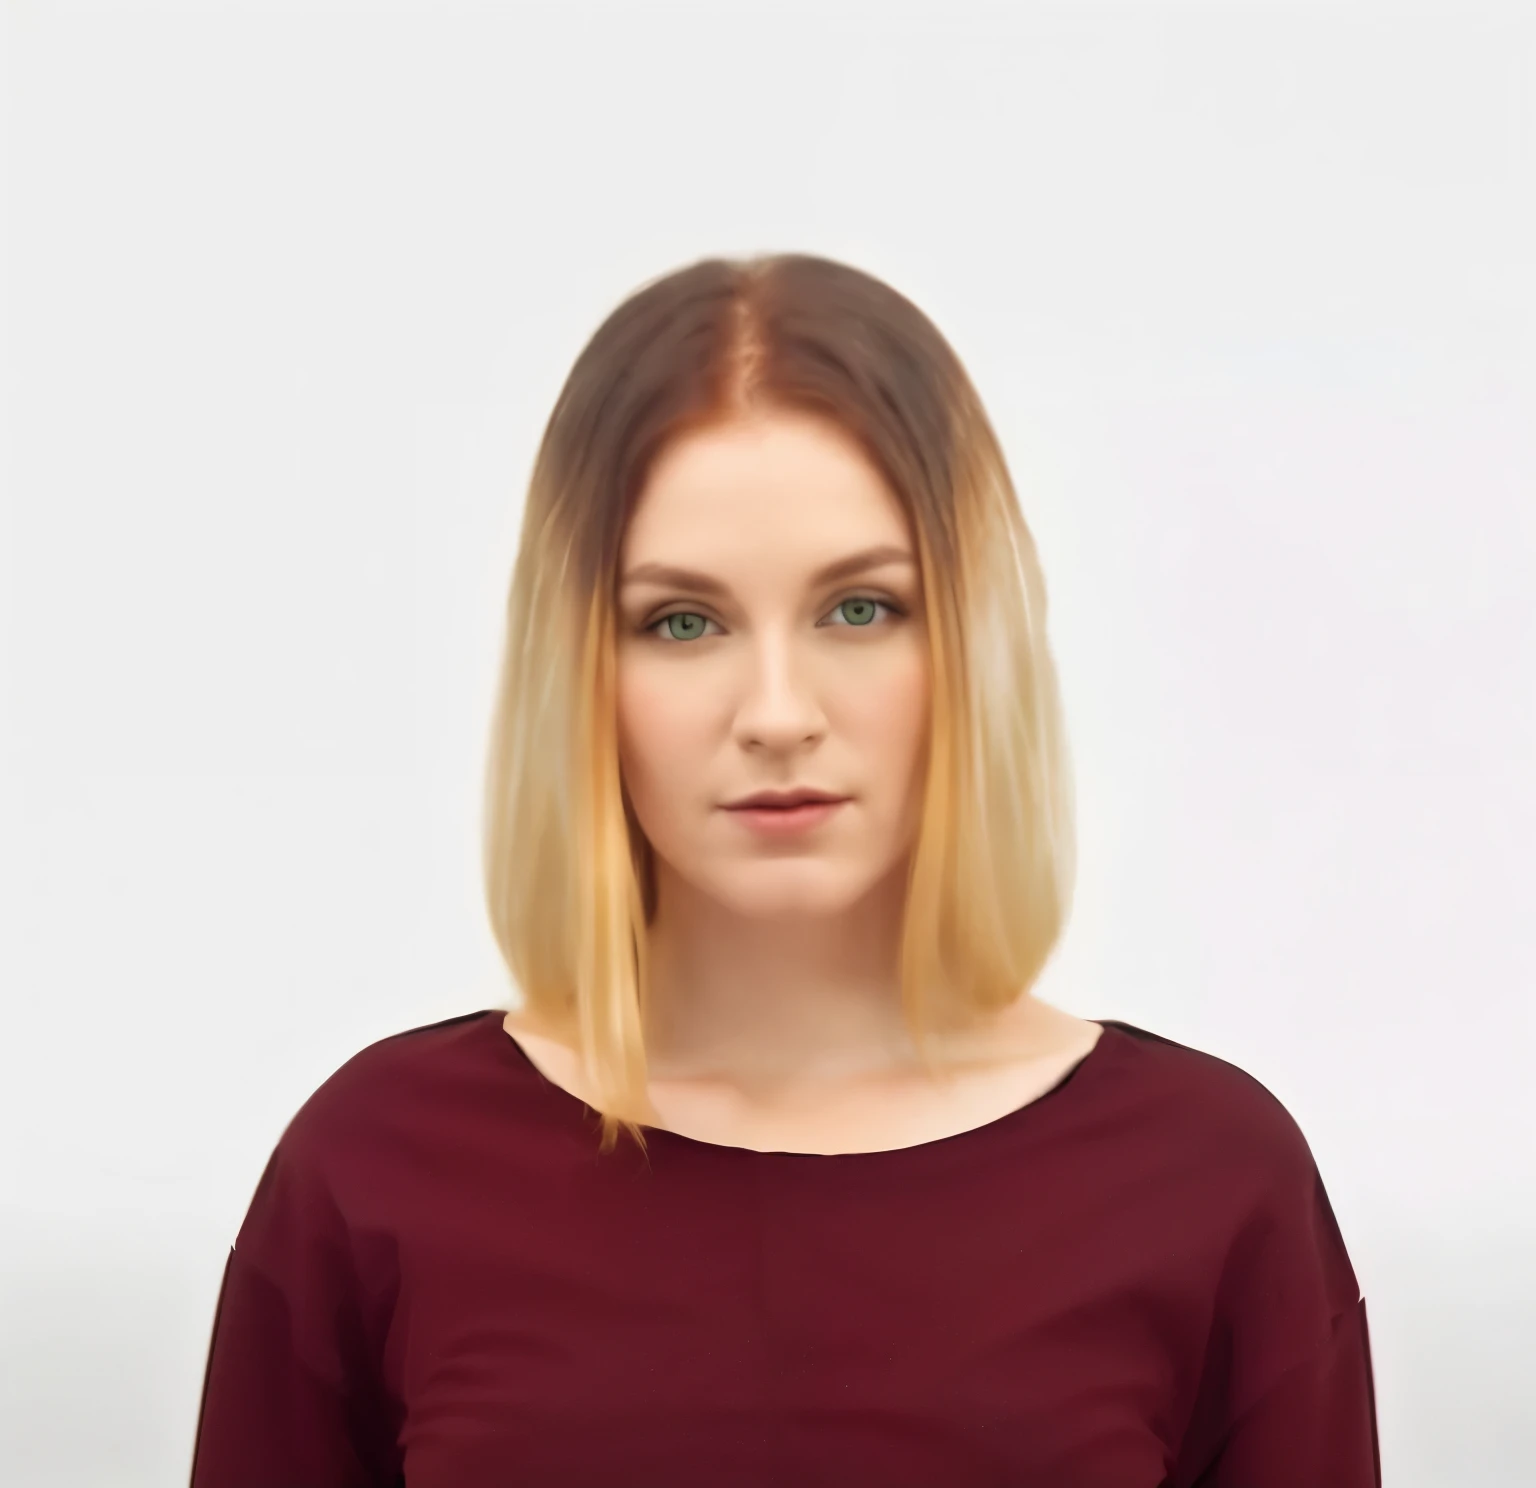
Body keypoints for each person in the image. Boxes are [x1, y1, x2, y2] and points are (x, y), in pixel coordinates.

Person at [188, 253, 1381, 1486]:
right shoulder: (375, 1171)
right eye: (681, 622)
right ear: (580, 668)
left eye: (860, 608)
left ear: (975, 643)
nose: (776, 711)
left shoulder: (1210, 1184)